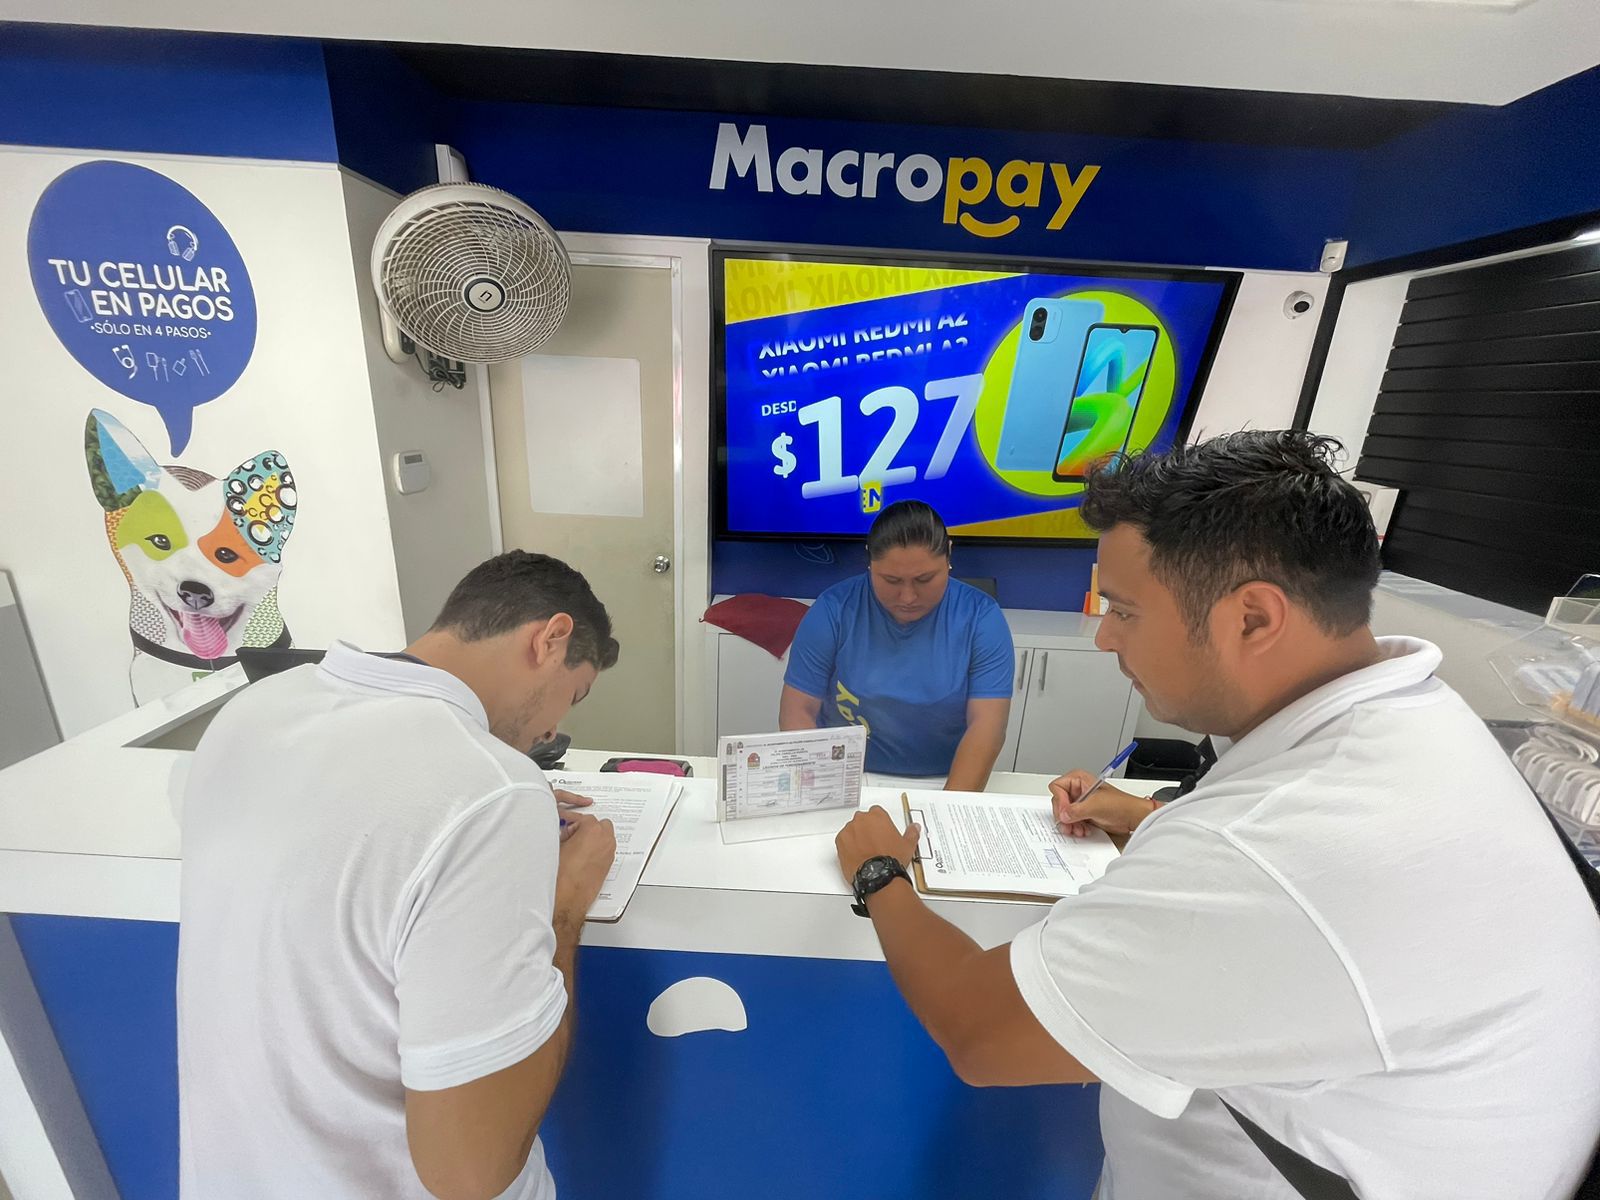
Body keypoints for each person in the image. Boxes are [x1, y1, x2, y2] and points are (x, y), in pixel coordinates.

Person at [833, 431, 1600, 1199]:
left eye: (1124, 610)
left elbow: (979, 1031)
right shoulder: (1418, 720)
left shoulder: (1273, 847)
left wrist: (881, 873)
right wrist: (1146, 817)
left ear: (1253, 619)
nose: (1104, 637)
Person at [178, 551, 621, 1200]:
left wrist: (466, 807)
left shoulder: (258, 709)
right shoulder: (494, 790)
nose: (555, 728)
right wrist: (567, 904)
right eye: (571, 694)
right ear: (550, 639)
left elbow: (346, 817)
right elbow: (470, 1174)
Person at [779, 500, 1015, 791]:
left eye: (924, 579)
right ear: (870, 562)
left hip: (946, 778)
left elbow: (987, 727)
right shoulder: (833, 610)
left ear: (949, 555)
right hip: (843, 775)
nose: (907, 597)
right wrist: (822, 791)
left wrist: (946, 807)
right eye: (891, 580)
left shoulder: (981, 618)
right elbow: (797, 712)